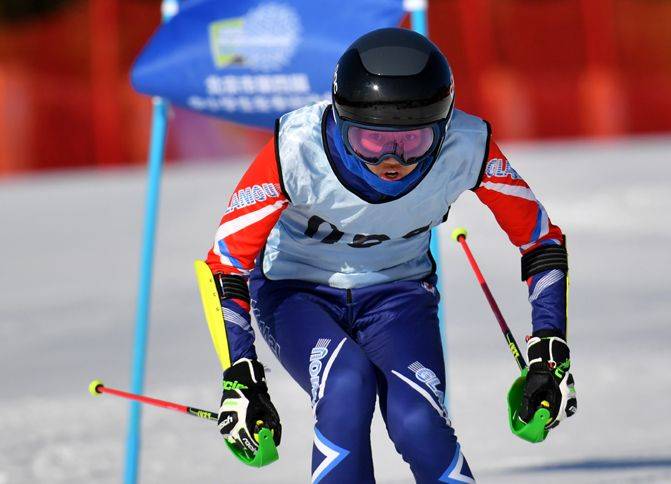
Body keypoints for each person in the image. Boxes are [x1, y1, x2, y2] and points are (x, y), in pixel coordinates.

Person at [205, 27, 576, 483]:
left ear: (443, 125)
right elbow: (226, 261)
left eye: (414, 141)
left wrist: (549, 348)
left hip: (397, 296)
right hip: (295, 291)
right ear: (340, 121)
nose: (392, 160)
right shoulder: (296, 148)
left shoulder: (466, 144)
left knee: (419, 424)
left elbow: (540, 240)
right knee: (345, 385)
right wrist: (240, 372)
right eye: (370, 141)